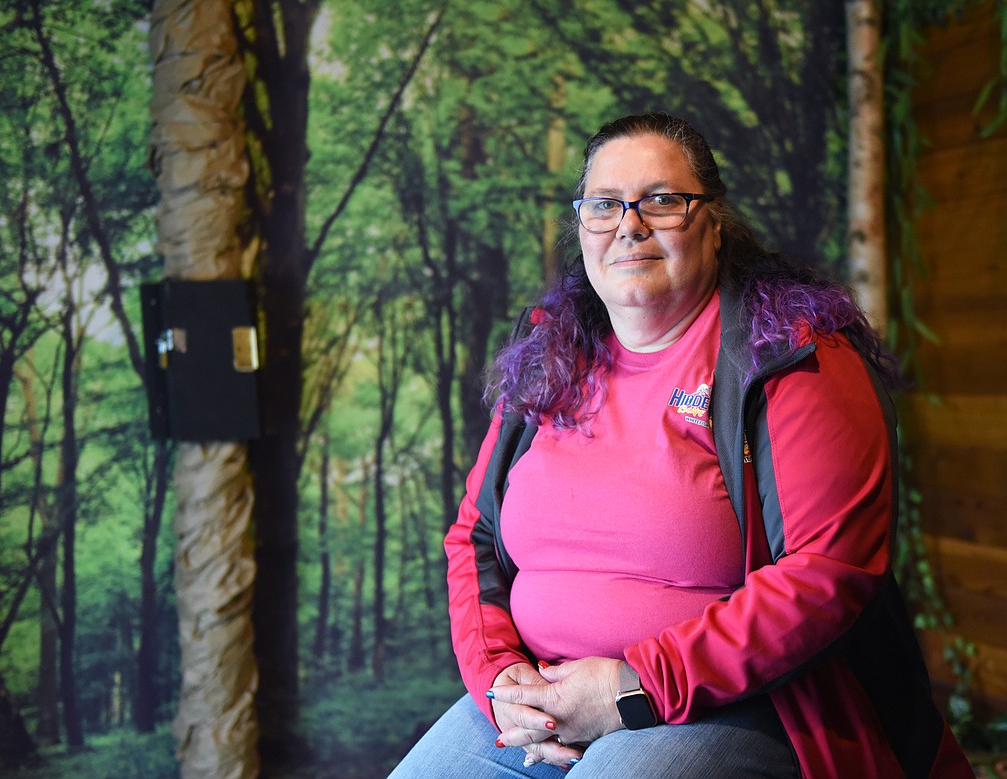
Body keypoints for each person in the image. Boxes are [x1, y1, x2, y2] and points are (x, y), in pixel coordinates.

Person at [390, 112, 974, 778]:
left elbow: (826, 574)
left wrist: (630, 687)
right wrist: (505, 684)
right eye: (604, 205)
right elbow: (475, 538)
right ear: (581, 224)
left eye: (662, 201)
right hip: (538, 697)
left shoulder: (794, 352)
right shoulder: (548, 353)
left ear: (714, 219)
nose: (629, 225)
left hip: (732, 702)